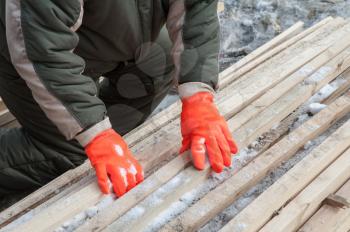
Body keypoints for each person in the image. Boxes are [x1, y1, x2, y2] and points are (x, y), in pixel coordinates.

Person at [0, 0, 238, 197]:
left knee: (158, 62)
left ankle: (102, 143)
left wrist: (198, 99)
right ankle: (68, 149)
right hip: (27, 46)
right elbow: (43, 52)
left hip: (111, 35)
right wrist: (95, 135)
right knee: (69, 152)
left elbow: (196, 7)